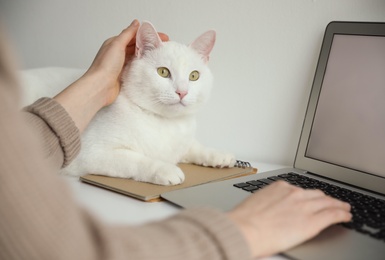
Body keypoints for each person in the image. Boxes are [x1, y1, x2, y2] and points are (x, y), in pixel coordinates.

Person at [0, 19, 351, 260]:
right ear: (140, 55)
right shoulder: (122, 107)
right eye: (165, 73)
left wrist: (197, 152)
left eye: (195, 75)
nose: (182, 89)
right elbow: (90, 154)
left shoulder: (184, 123)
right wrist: (148, 167)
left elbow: (174, 144)